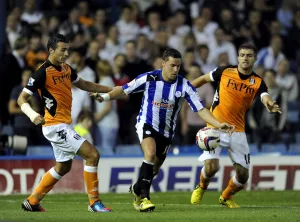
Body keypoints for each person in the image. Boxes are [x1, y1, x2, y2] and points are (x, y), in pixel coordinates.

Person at [89, 48, 234, 212]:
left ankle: (137, 188)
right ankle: (144, 199)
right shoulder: (150, 78)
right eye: (172, 65)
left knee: (155, 169)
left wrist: (217, 123)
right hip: (147, 123)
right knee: (149, 154)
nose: (175, 69)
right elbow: (123, 89)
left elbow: (200, 110)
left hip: (166, 132)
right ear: (163, 63)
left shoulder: (184, 85)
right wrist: (105, 97)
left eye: (178, 66)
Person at [17, 33, 112, 213]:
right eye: (63, 50)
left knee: (63, 166)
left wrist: (113, 90)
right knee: (92, 155)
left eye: (67, 49)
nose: (66, 53)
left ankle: (32, 201)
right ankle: (94, 203)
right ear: (51, 50)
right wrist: (32, 114)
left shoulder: (66, 69)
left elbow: (84, 84)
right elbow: (21, 99)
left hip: (64, 124)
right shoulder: (42, 72)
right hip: (55, 125)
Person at [190, 43, 281, 208]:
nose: (245, 58)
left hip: (237, 130)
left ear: (255, 58)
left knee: (243, 175)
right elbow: (203, 79)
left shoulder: (257, 82)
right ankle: (201, 187)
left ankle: (225, 197)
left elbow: (265, 96)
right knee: (211, 168)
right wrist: (186, 90)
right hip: (214, 125)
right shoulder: (224, 71)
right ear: (238, 57)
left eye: (249, 55)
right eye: (242, 55)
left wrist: (269, 103)